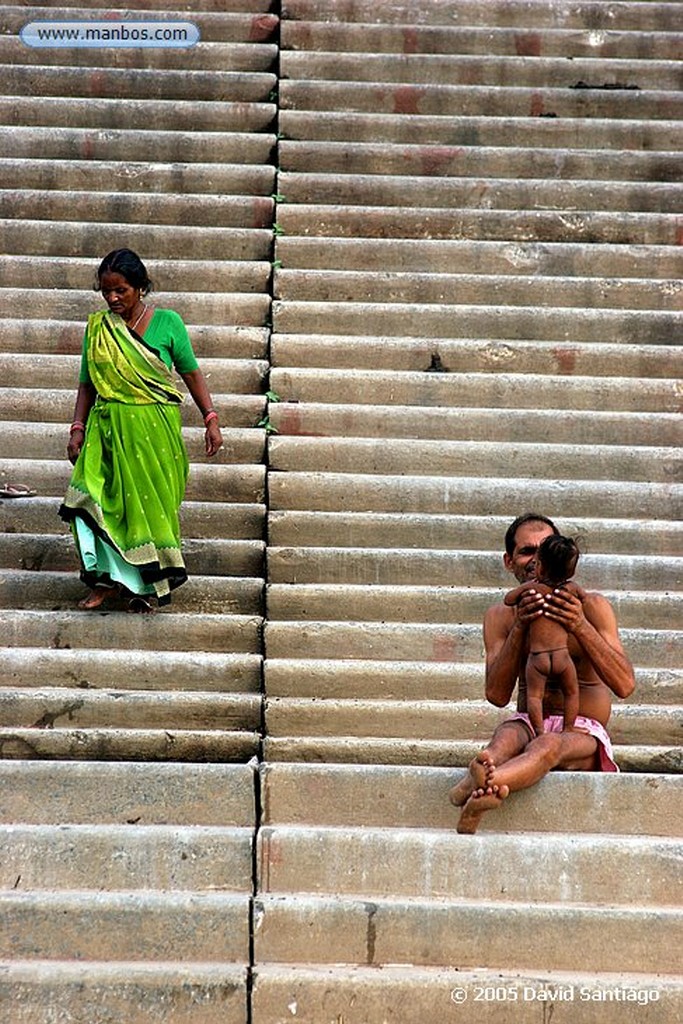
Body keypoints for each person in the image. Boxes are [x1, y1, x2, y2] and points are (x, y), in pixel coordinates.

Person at [59, 248, 223, 611]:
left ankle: (145, 588)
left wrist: (210, 418)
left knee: (147, 510)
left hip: (155, 432)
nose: (113, 299)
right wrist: (77, 427)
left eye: (122, 291)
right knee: (87, 496)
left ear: (141, 288)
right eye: (106, 292)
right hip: (107, 428)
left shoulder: (168, 323)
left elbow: (191, 372)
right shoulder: (98, 328)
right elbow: (87, 383)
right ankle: (104, 581)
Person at [450, 513, 635, 834]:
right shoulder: (501, 616)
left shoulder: (590, 605)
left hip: (580, 733)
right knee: (505, 737)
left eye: (544, 549)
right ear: (509, 561)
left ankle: (485, 783)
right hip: (527, 722)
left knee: (548, 745)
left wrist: (580, 625)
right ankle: (485, 767)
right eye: (526, 551)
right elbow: (496, 695)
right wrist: (520, 626)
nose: (536, 560)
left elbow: (624, 684)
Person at [503, 533, 586, 736]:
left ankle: (539, 731)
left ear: (539, 566)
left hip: (538, 658)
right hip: (562, 656)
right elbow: (585, 599)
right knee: (572, 692)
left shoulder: (533, 589)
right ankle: (568, 728)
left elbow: (508, 599)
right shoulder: (571, 589)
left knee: (534, 696)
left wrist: (527, 587)